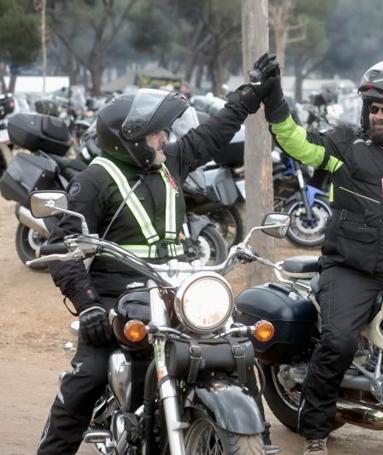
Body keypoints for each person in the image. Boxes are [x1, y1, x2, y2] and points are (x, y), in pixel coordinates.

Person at [36, 78, 275, 454]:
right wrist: (90, 305)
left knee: (236, 348)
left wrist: (245, 99)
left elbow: (210, 136)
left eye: (164, 132)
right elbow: (61, 249)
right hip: (117, 298)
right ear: (131, 139)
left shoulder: (169, 164)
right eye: (156, 134)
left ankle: (251, 435)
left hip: (175, 292)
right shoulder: (93, 181)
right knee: (88, 377)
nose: (165, 138)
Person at [251, 54, 383, 455]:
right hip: (350, 269)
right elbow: (297, 141)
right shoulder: (346, 146)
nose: (378, 116)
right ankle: (314, 429)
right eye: (373, 109)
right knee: (339, 341)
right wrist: (274, 97)